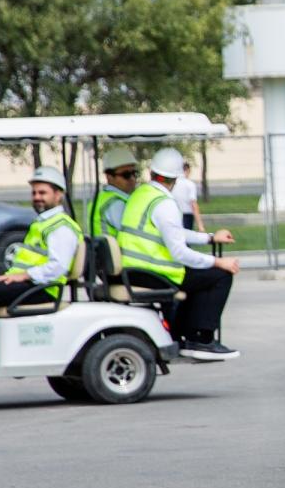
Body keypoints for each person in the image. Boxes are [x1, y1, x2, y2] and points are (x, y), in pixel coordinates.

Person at [116, 148, 242, 360]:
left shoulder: (142, 195)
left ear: (153, 173)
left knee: (200, 274)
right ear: (176, 177)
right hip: (153, 273)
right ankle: (200, 340)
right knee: (219, 276)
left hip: (133, 269)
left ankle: (182, 335)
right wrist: (219, 262)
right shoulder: (165, 203)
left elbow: (172, 232)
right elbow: (180, 252)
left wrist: (209, 238)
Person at [0, 166, 82, 366]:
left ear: (58, 195)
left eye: (43, 193)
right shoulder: (43, 223)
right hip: (30, 283)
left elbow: (58, 267)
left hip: (43, 287)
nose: (37, 197)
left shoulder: (61, 226)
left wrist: (24, 275)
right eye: (34, 193)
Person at [87, 146, 141, 239]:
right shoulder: (115, 203)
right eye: (126, 175)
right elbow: (134, 235)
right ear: (109, 177)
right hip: (116, 253)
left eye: (134, 173)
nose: (132, 179)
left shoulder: (103, 198)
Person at [171, 158, 204, 233]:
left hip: (173, 215)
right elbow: (193, 204)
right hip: (187, 215)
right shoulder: (190, 184)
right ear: (188, 170)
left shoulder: (172, 184)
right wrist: (200, 224)